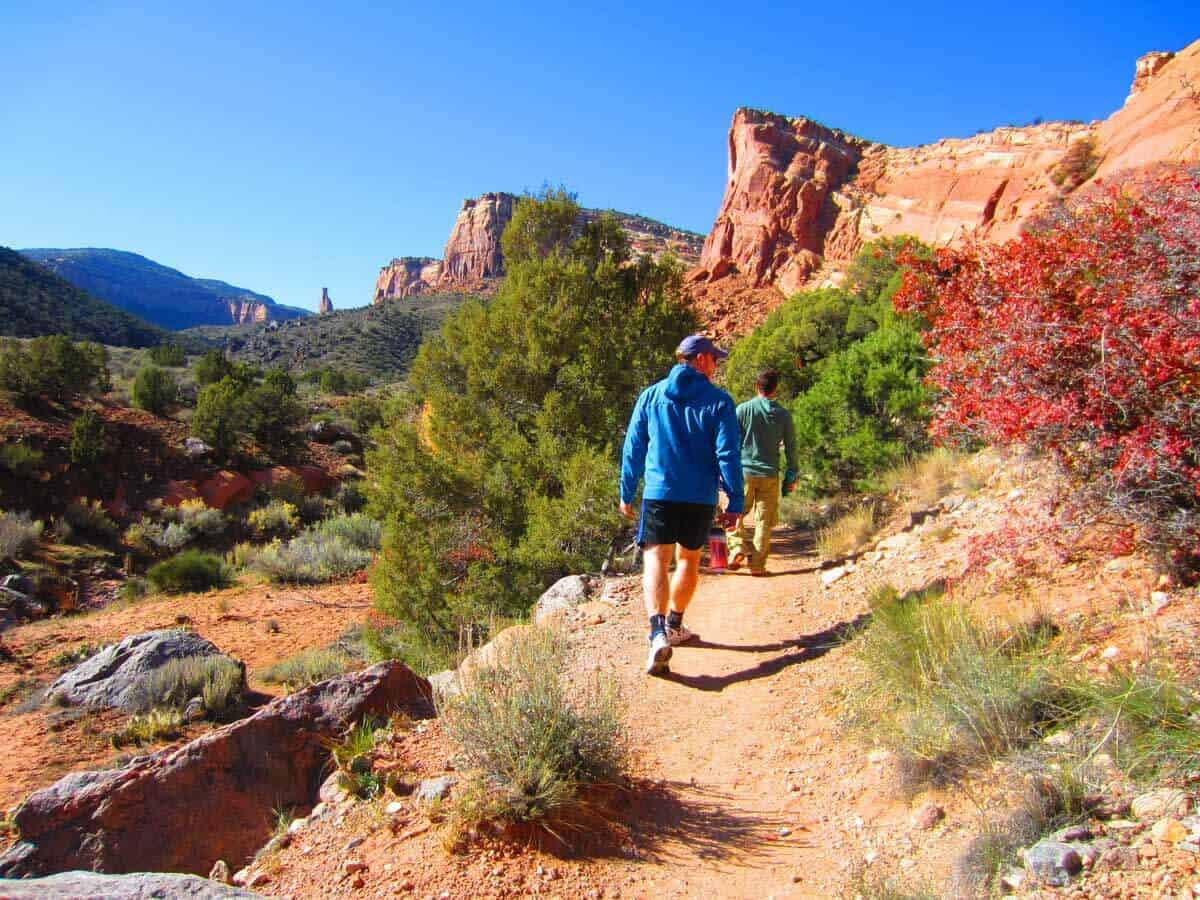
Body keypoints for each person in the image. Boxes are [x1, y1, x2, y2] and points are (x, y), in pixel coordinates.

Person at [620, 334, 743, 676]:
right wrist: (735, 498)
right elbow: (728, 454)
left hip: (659, 492)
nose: (716, 366)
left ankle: (658, 631)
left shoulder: (652, 395)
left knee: (655, 559)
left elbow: (634, 446)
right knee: (689, 558)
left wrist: (626, 491)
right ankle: (675, 624)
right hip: (699, 496)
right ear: (700, 359)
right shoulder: (720, 402)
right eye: (715, 359)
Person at [727, 368, 798, 576]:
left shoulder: (742, 410)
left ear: (756, 386)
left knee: (734, 512)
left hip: (744, 472)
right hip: (769, 474)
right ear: (776, 389)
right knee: (764, 522)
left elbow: (729, 442)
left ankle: (737, 547)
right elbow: (792, 448)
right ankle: (757, 565)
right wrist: (791, 475)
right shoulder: (784, 415)